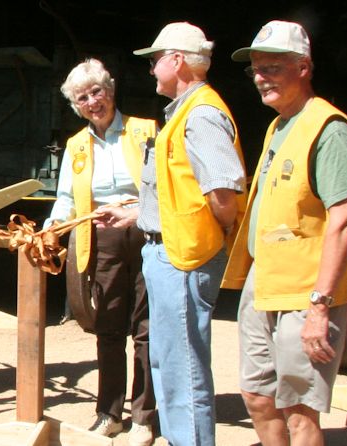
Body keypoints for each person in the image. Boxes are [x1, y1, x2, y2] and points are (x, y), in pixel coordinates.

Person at [223, 21, 347, 445]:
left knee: (299, 411)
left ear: (304, 68)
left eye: (273, 67)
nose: (261, 78)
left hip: (306, 293)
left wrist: (320, 307)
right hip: (267, 280)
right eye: (256, 70)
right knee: (258, 396)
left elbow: (345, 220)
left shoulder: (328, 129)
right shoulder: (279, 125)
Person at [96, 22, 247, 445]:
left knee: (184, 370)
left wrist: (202, 236)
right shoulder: (184, 112)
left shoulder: (200, 115)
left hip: (184, 257)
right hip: (169, 252)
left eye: (155, 60)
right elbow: (177, 188)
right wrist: (136, 215)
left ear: (176, 60)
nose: (150, 70)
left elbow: (223, 196)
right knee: (168, 363)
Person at [46, 59, 156, 445]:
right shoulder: (76, 145)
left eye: (97, 92)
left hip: (146, 231)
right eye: (83, 98)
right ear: (76, 106)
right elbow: (65, 199)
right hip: (102, 238)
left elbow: (164, 185)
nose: (93, 102)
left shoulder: (146, 130)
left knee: (146, 328)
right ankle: (109, 412)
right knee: (108, 326)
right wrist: (51, 230)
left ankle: (143, 417)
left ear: (110, 90)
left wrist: (136, 212)